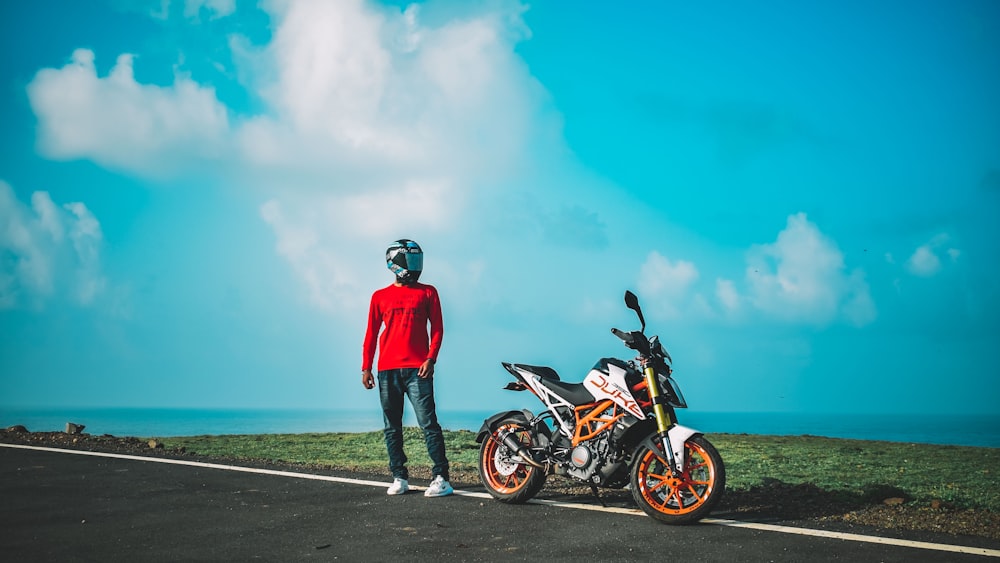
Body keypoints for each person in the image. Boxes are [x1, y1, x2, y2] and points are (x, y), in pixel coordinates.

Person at [361, 239, 453, 497]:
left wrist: (431, 359)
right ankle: (399, 477)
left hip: (418, 369)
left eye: (417, 261)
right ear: (395, 263)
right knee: (392, 426)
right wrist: (366, 367)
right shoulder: (379, 297)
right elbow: (371, 333)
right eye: (410, 261)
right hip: (387, 370)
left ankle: (441, 478)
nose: (415, 267)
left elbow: (437, 329)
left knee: (428, 424)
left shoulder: (428, 292)